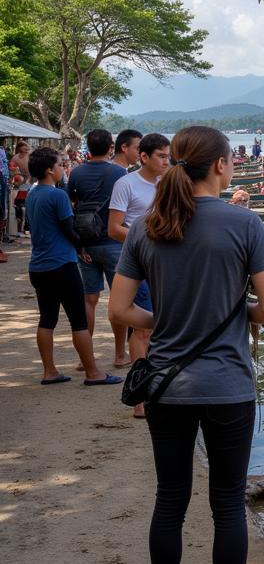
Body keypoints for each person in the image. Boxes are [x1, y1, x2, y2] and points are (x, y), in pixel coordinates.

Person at [108, 125, 264, 564]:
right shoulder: (244, 222)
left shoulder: (148, 227)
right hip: (227, 384)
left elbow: (118, 312)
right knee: (227, 502)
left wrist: (164, 322)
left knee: (170, 499)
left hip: (165, 384)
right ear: (223, 166)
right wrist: (234, 315)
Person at [25, 146, 117, 385]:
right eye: (59, 165)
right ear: (49, 169)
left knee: (47, 318)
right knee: (78, 320)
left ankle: (49, 371)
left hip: (38, 265)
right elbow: (69, 229)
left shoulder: (34, 193)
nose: (62, 168)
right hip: (62, 264)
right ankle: (93, 372)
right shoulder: (57, 195)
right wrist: (82, 248)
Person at [68, 128, 131, 367]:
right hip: (114, 242)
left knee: (88, 300)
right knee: (119, 301)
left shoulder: (76, 172)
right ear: (110, 147)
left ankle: (86, 358)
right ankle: (119, 355)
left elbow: (72, 204)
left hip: (86, 244)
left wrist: (79, 245)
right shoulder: (119, 173)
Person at [109, 133, 170, 367]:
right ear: (143, 156)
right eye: (161, 157)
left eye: (169, 157)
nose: (166, 162)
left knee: (164, 324)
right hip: (141, 262)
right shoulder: (126, 184)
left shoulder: (169, 183)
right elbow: (114, 229)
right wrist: (149, 239)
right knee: (143, 329)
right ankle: (140, 397)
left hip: (167, 262)